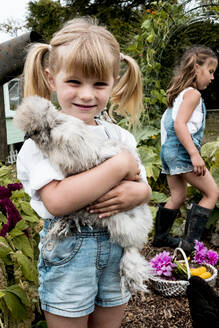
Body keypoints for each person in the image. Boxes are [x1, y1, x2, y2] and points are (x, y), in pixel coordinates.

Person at [16, 17, 151, 328]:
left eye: (99, 84)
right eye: (74, 82)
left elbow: (141, 187)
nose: (87, 95)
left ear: (114, 82)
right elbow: (58, 202)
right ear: (51, 79)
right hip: (69, 253)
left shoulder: (120, 138)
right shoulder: (43, 139)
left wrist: (141, 191)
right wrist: (119, 166)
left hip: (117, 254)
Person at [152, 45, 219, 254]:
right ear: (197, 69)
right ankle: (191, 245)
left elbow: (170, 126)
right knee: (212, 193)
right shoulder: (193, 95)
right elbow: (180, 125)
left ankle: (160, 237)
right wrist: (194, 154)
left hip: (168, 152)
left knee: (178, 196)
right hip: (182, 151)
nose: (213, 77)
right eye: (210, 71)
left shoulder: (178, 95)